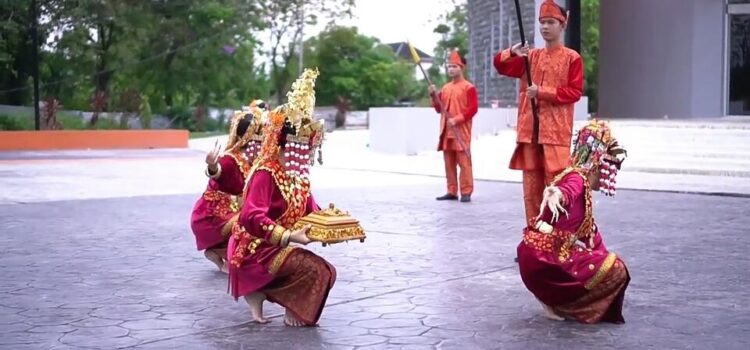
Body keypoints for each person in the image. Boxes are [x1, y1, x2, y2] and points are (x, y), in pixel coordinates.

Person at [227, 68, 336, 327]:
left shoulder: (297, 175)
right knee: (318, 270)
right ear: (288, 143)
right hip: (254, 251)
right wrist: (288, 236)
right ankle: (286, 301)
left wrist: (332, 224)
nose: (308, 151)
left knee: (328, 271)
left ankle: (264, 293)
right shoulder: (266, 173)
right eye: (304, 144)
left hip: (275, 248)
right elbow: (251, 216)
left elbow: (311, 210)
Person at [517, 119, 629, 324]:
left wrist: (601, 259)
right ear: (598, 163)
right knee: (618, 268)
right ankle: (565, 305)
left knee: (607, 261)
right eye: (609, 168)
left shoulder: (582, 189)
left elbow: (594, 241)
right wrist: (557, 193)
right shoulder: (577, 178)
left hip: (535, 259)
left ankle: (555, 302)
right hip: (545, 261)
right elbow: (568, 190)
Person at [494, 0, 584, 222]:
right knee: (531, 192)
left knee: (557, 191)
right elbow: (501, 66)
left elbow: (574, 92)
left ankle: (557, 241)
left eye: (551, 22)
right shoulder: (530, 56)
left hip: (555, 135)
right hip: (529, 133)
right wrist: (512, 52)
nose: (545, 27)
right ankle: (534, 242)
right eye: (542, 22)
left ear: (562, 25)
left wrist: (542, 92)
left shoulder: (572, 58)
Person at [189, 100, 268, 272]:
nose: (264, 143)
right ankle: (226, 255)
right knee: (250, 222)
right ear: (249, 138)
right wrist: (212, 166)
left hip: (232, 212)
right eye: (260, 138)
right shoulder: (231, 159)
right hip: (211, 217)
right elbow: (219, 172)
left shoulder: (254, 161)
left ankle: (226, 253)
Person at [429, 49, 479, 203]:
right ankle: (451, 191)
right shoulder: (445, 88)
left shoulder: (468, 87)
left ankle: (466, 191)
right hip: (446, 130)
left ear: (461, 67)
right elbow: (439, 109)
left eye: (454, 66)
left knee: (464, 162)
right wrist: (433, 95)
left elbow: (473, 109)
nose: (451, 69)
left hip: (460, 131)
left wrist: (457, 119)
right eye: (449, 66)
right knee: (448, 162)